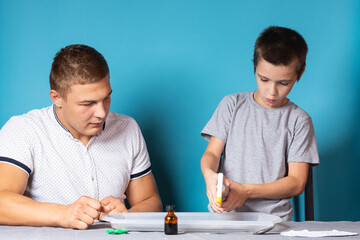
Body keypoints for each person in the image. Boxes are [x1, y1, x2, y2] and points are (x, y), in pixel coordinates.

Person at [0, 44, 162, 229]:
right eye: (88, 103)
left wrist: (127, 216)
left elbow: (151, 201)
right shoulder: (23, 129)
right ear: (57, 98)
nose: (101, 113)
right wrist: (62, 214)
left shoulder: (127, 128)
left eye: (106, 98)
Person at [200, 26, 319, 221]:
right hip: (226, 219)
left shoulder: (299, 120)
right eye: (264, 79)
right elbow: (212, 154)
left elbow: (297, 182)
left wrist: (246, 191)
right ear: (254, 67)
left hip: (275, 221)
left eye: (283, 83)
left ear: (300, 73)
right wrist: (209, 175)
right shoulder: (231, 105)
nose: (271, 92)